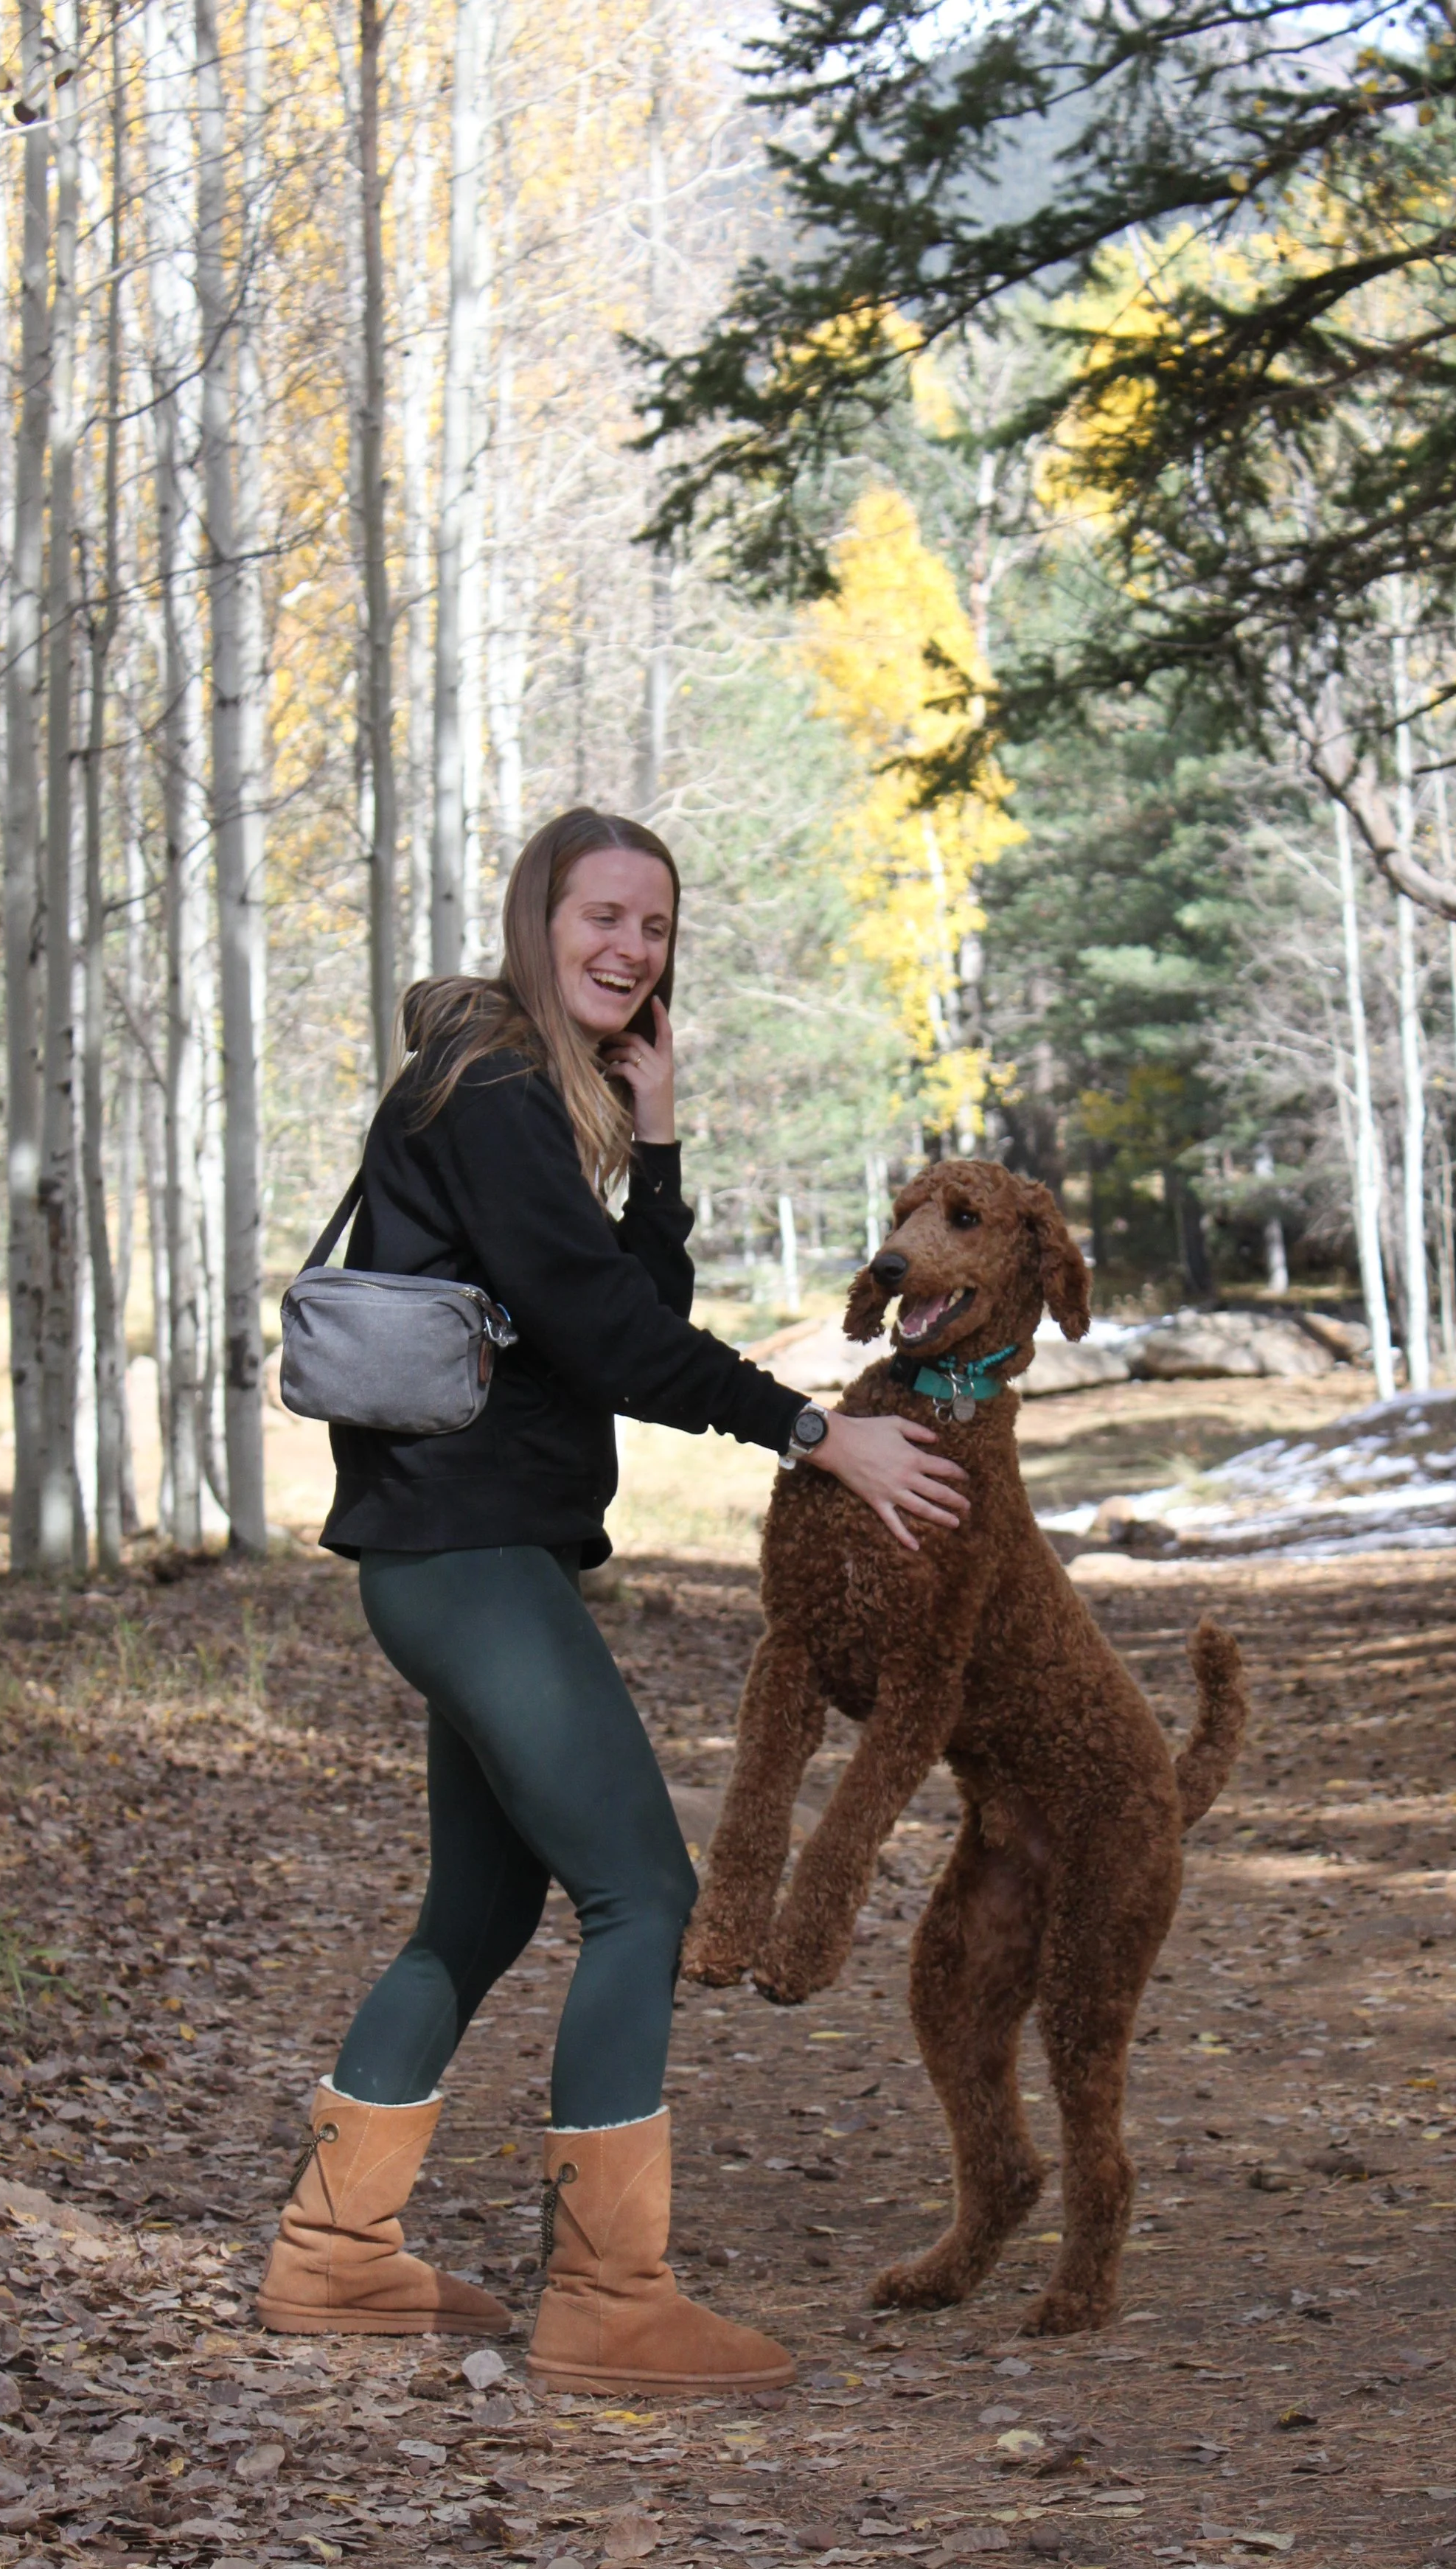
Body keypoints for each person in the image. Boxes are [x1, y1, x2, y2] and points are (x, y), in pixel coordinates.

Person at [257, 807, 969, 2394]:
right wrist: (813, 1431)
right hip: (464, 1556)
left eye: (652, 928)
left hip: (453, 1549)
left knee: (485, 1905)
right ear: (537, 918)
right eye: (599, 916)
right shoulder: (493, 1087)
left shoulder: (517, 1090)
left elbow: (625, 1305)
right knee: (645, 1893)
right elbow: (610, 1340)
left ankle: (333, 2256)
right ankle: (603, 2298)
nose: (627, 949)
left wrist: (655, 1144)